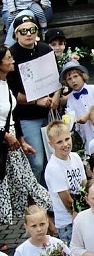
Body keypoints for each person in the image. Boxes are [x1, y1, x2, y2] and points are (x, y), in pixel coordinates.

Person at [0, 43, 50, 224]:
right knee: (12, 184)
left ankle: (47, 217)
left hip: (12, 141)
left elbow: (13, 114)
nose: (12, 60)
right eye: (8, 58)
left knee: (24, 181)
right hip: (5, 140)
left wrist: (20, 139)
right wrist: (5, 135)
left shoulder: (5, 83)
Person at [8, 14, 59, 185]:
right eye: (23, 31)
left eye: (32, 30)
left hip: (50, 112)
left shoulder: (46, 49)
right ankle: (35, 199)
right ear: (16, 34)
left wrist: (55, 98)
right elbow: (12, 93)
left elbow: (57, 80)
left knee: (54, 157)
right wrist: (37, 101)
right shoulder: (12, 56)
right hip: (27, 116)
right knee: (37, 162)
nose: (28, 34)